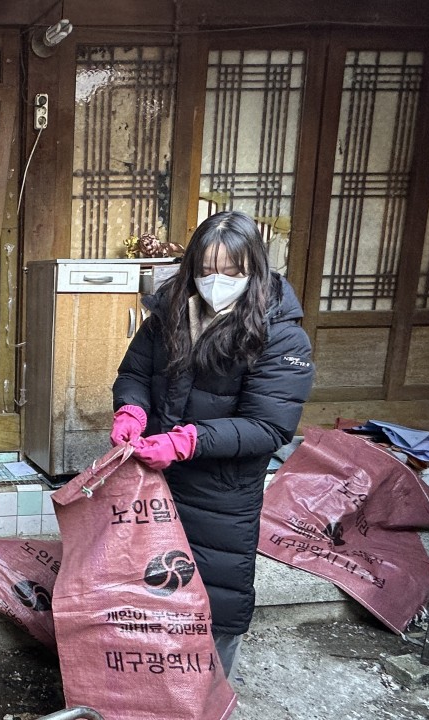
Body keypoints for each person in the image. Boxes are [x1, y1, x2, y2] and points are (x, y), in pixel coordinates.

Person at [110, 210, 314, 679]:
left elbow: (268, 427)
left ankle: (208, 694)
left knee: (214, 597)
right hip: (154, 480)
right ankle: (149, 684)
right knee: (150, 589)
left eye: (230, 271)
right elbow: (135, 373)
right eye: (205, 270)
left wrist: (188, 440)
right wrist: (131, 410)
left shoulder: (281, 334)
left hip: (222, 492)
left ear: (253, 269)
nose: (215, 281)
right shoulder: (170, 312)